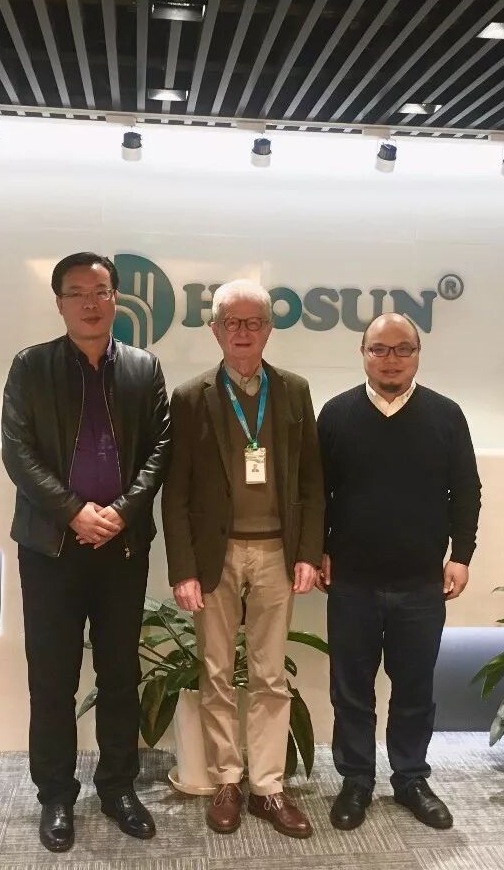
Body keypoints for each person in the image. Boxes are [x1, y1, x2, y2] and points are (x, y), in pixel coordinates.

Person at [1, 251, 171, 853]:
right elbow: (17, 452)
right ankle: (55, 795)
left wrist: (120, 513)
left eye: (100, 291)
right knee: (52, 678)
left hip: (121, 548)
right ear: (59, 303)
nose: (90, 303)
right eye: (76, 293)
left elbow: (160, 449)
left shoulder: (144, 368)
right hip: (51, 547)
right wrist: (74, 511)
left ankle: (119, 788)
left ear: (116, 298)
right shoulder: (32, 366)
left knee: (120, 674)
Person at [162, 279, 324, 839]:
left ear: (269, 330)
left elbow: (311, 481)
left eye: (254, 322)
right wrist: (183, 568)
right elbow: (176, 492)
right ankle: (228, 780)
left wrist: (308, 552)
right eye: (232, 322)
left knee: (270, 674)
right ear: (215, 330)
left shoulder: (295, 391)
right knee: (215, 672)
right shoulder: (191, 397)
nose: (243, 332)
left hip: (278, 551)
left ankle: (268, 787)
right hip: (217, 555)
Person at [317, 312, 481, 832]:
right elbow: (316, 492)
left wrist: (462, 555)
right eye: (379, 349)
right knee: (351, 691)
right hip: (351, 582)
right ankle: (356, 780)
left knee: (414, 690)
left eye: (402, 349)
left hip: (420, 583)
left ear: (417, 353)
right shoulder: (336, 414)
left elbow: (466, 490)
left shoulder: (445, 415)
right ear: (363, 353)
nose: (391, 360)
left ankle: (410, 779)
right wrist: (318, 548)